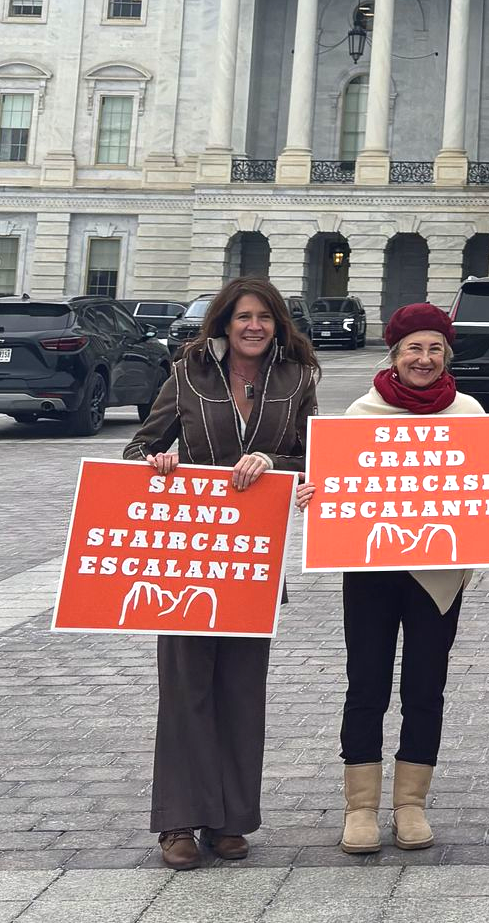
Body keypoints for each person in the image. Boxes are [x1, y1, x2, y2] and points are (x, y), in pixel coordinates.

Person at [292, 303, 489, 856]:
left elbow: (481, 486)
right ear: (394, 354)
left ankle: (412, 803)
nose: (425, 359)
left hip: (439, 574)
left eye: (435, 349)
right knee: (366, 684)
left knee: (425, 685)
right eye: (414, 348)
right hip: (370, 569)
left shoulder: (469, 413)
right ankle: (361, 807)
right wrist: (312, 496)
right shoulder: (359, 413)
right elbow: (335, 483)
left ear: (447, 356)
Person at [123, 276, 320, 871]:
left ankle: (231, 821)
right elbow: (137, 449)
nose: (253, 325)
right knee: (185, 691)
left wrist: (276, 462)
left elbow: (317, 456)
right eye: (242, 317)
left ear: (278, 324)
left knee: (240, 692)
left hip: (253, 562)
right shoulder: (188, 375)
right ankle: (179, 823)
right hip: (186, 561)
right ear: (223, 324)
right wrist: (161, 462)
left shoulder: (296, 381)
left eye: (264, 316)